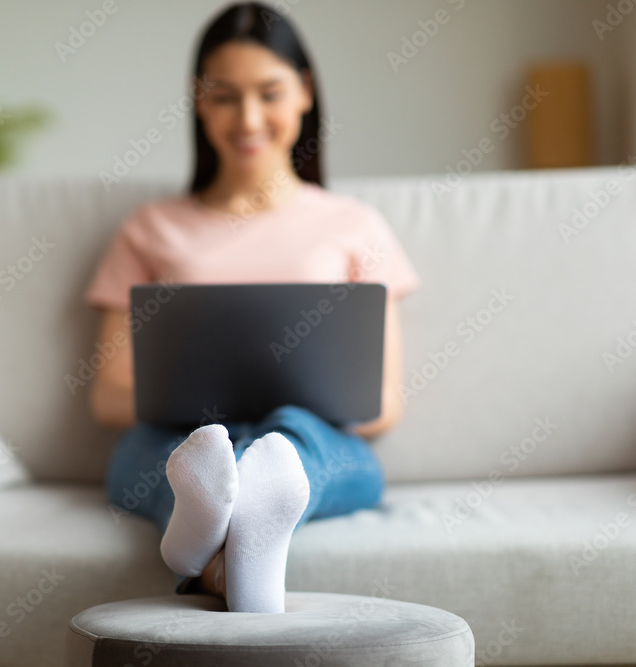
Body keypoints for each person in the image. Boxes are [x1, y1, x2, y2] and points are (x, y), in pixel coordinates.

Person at [82, 1, 420, 613]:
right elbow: (107, 394)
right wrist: (209, 426)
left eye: (269, 93)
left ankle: (222, 531)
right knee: (159, 454)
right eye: (224, 96)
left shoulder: (356, 226)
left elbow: (383, 406)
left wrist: (277, 429)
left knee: (298, 448)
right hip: (178, 438)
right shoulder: (149, 228)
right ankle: (230, 520)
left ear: (305, 93)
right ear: (197, 99)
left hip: (309, 434)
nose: (248, 118)